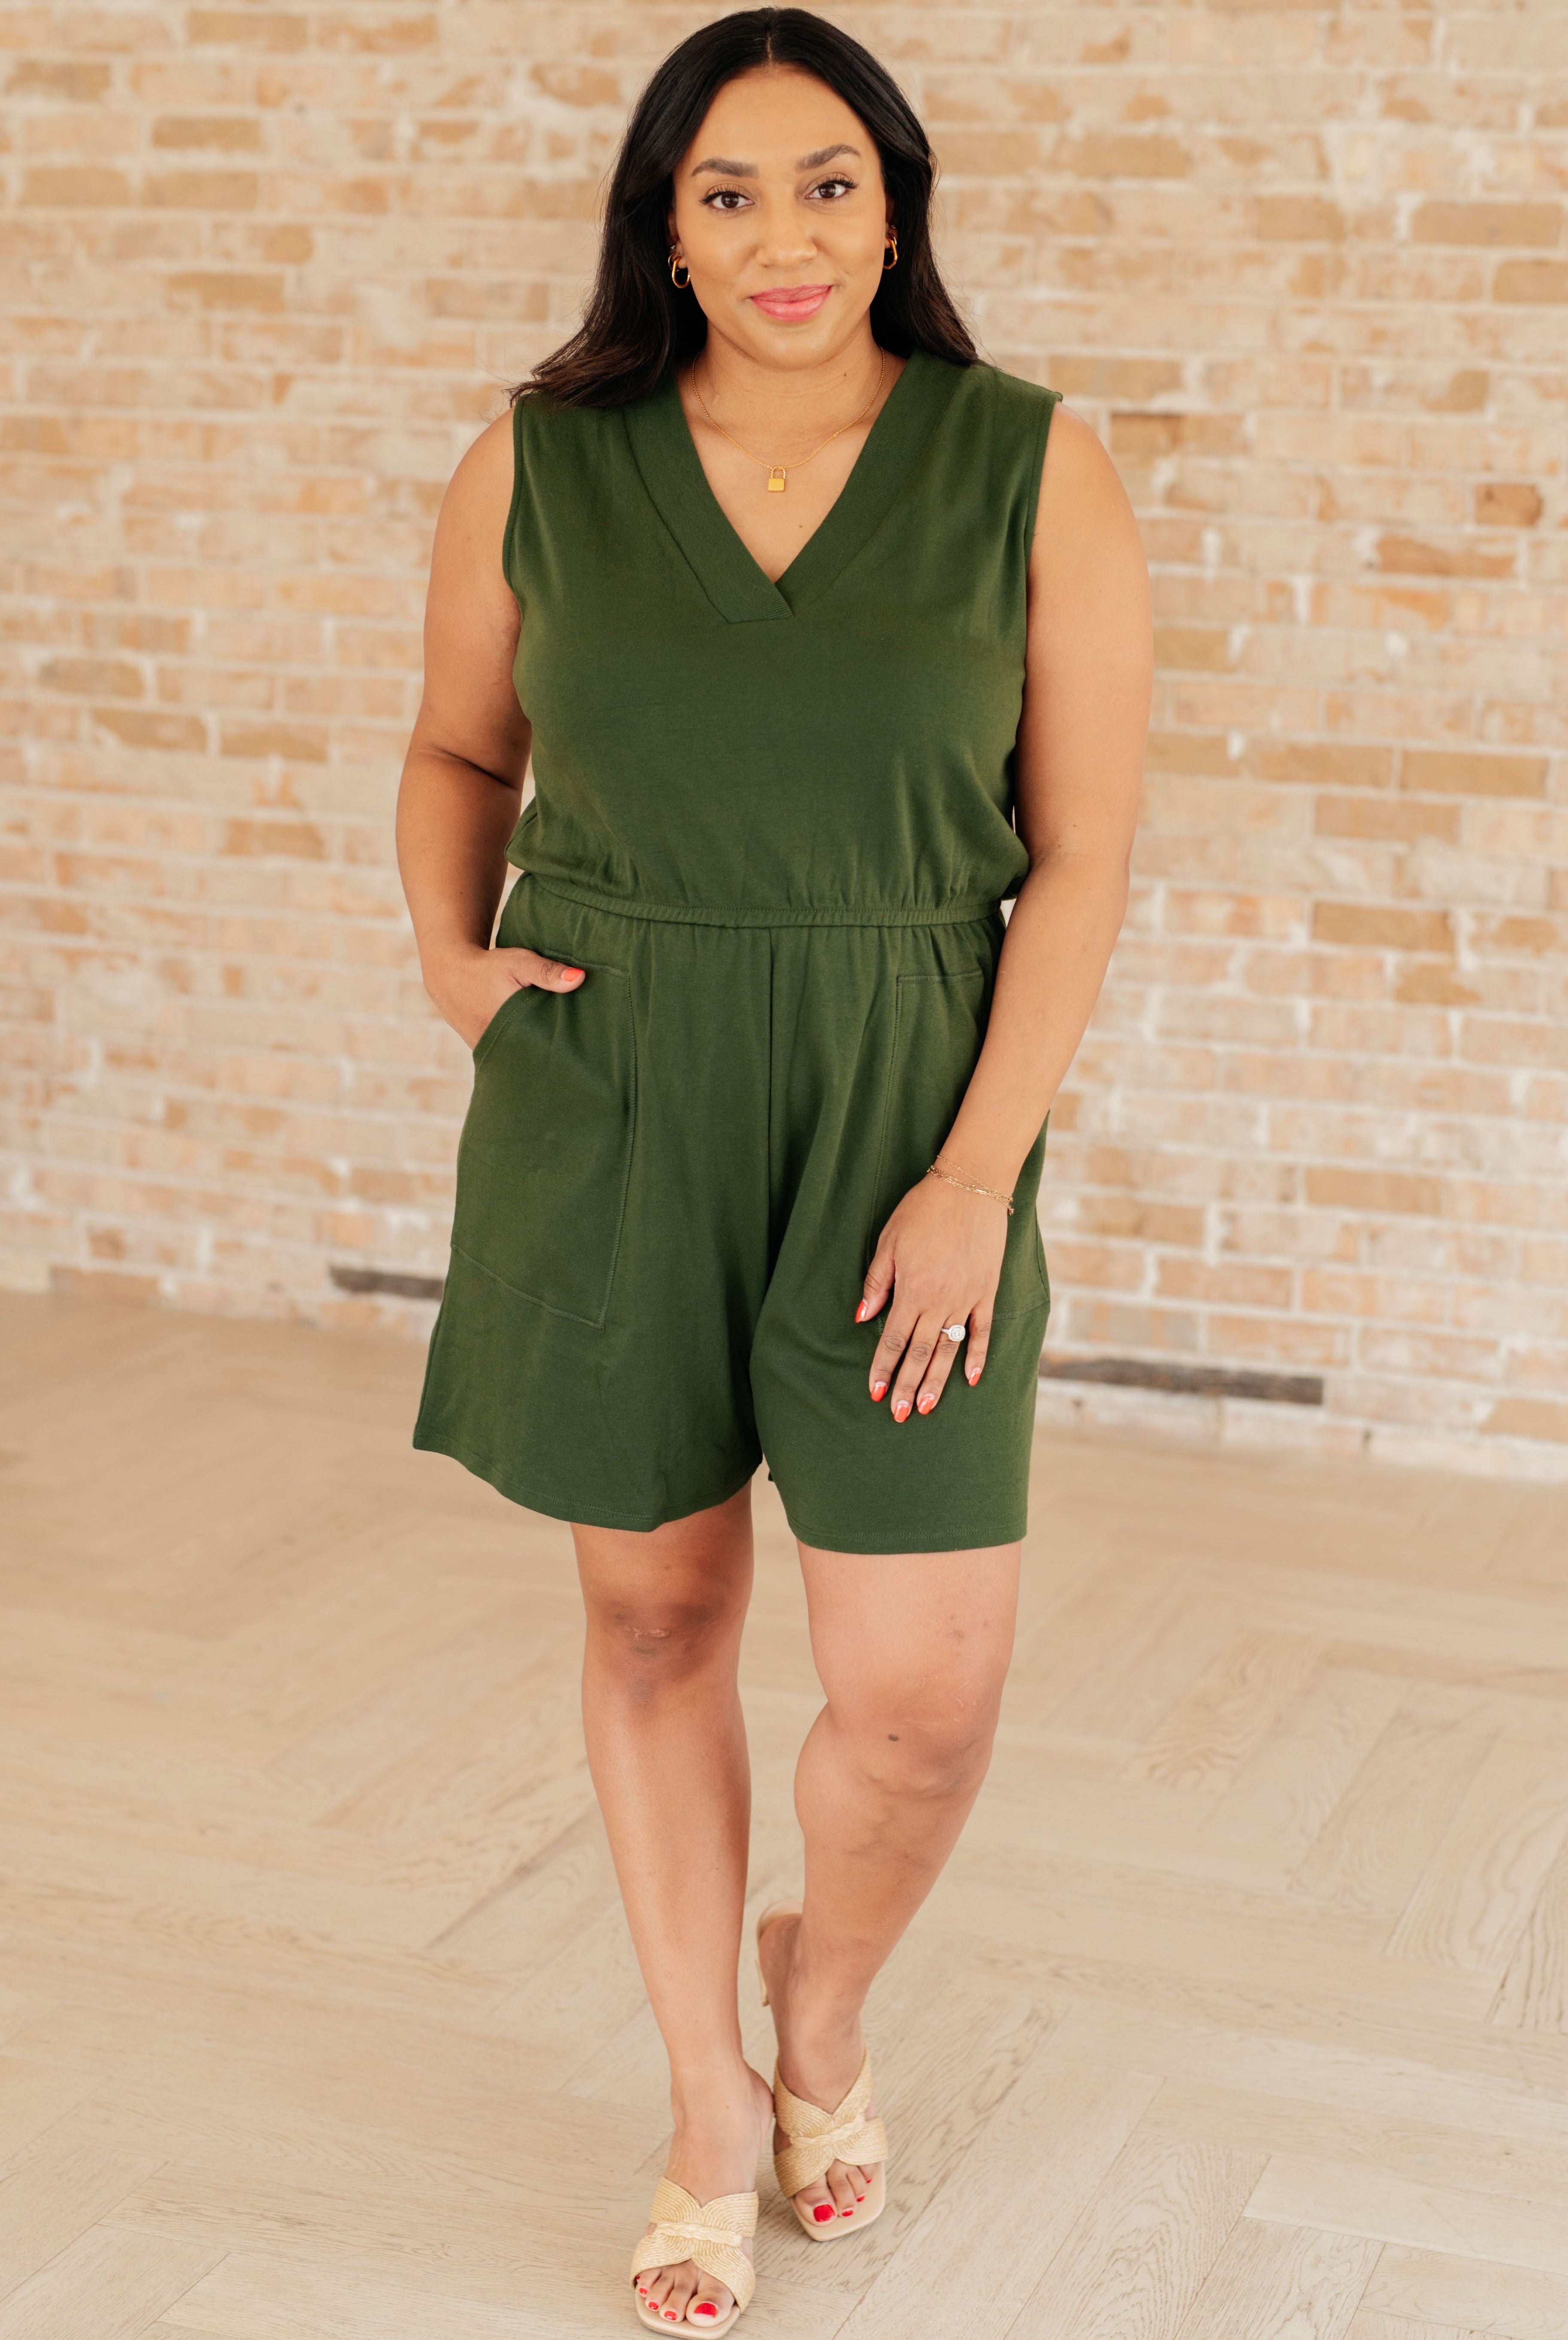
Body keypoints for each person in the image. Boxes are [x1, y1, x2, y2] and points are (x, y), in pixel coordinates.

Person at [396, 8, 1149, 2328]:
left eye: (827, 182)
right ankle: (708, 2098)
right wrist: (454, 968)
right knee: (654, 1620)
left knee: (922, 1699)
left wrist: (973, 1177)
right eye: (723, 191)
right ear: (665, 228)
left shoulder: (1028, 464)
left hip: (909, 1112)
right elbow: (457, 753)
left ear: (893, 208)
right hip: (615, 1100)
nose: (781, 233)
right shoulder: (540, 462)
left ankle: (818, 1998)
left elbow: (1082, 855)